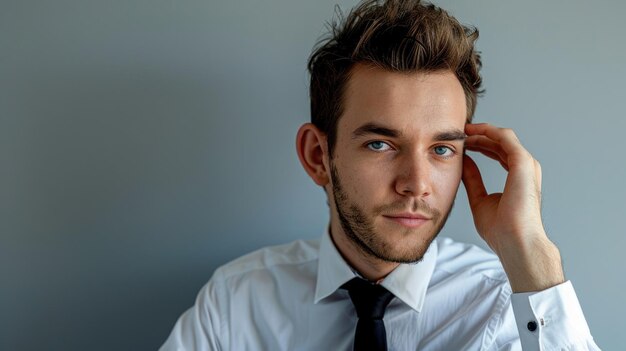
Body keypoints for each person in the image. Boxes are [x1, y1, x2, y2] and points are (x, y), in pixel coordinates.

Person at [160, 0, 600, 350]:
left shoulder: (510, 306)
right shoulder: (237, 303)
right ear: (318, 155)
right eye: (380, 144)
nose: (417, 183)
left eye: (441, 149)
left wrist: (530, 252)